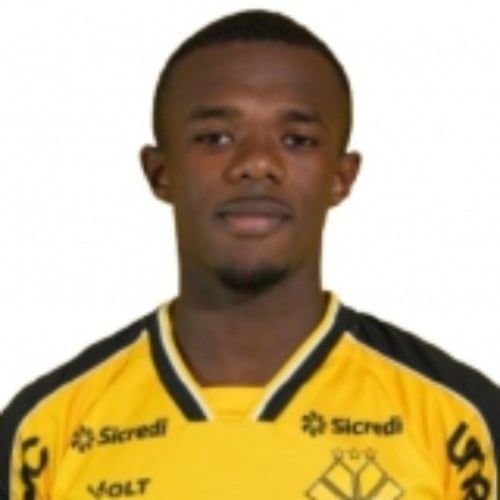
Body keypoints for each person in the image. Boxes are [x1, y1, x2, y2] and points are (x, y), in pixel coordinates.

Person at [1, 9, 498, 499]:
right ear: (160, 172)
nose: (257, 163)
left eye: (297, 140)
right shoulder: (44, 429)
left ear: (341, 177)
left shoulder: (461, 421)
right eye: (215, 138)